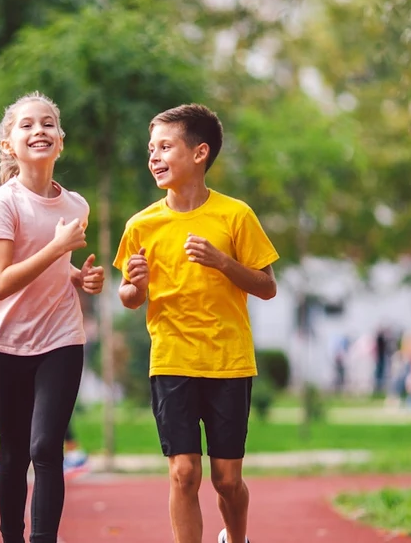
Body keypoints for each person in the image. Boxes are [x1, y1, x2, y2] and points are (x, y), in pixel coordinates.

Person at [114, 103, 279, 543]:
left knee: (226, 480)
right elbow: (128, 296)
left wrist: (223, 262)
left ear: (200, 153)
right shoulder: (141, 225)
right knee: (184, 474)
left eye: (165, 146)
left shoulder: (236, 216)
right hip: (171, 359)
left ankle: (236, 538)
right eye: (151, 148)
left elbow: (267, 286)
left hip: (228, 360)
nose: (154, 156)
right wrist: (137, 286)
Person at [0, 93, 104, 543]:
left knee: (45, 448)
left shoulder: (76, 206)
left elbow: (57, 268)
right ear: (8, 145)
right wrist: (57, 249)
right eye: (27, 125)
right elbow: (0, 283)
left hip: (62, 336)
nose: (39, 130)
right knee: (15, 454)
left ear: (61, 141)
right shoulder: (5, 203)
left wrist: (80, 278)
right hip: (8, 341)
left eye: (49, 123)